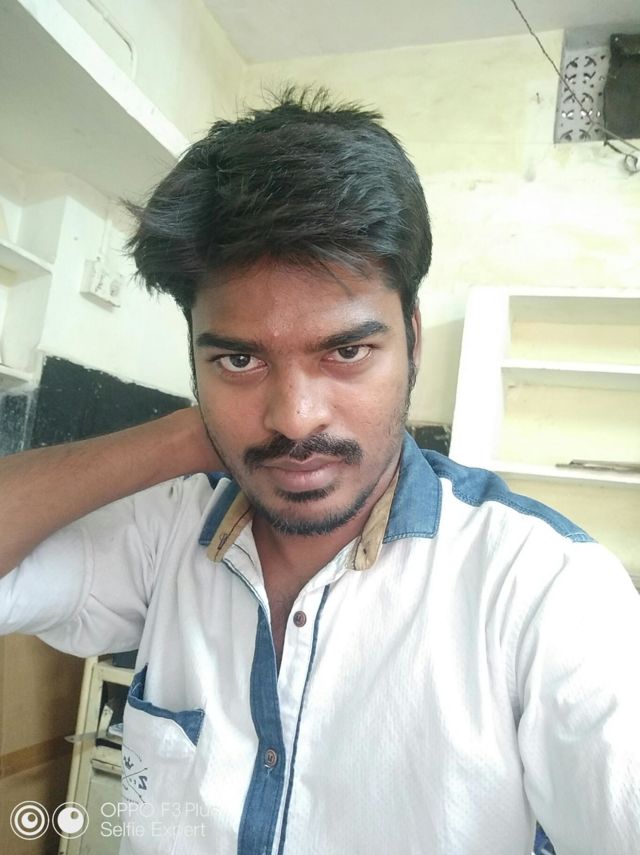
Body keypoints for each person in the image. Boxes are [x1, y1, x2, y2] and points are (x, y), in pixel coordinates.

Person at [1, 88, 639, 855]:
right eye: (239, 359)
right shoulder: (166, 533)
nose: (295, 418)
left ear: (412, 341)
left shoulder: (542, 591)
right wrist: (189, 435)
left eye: (346, 351)